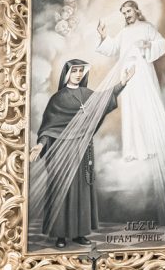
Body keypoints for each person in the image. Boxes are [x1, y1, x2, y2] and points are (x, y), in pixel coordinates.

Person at [32, 58, 133, 249]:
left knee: (81, 191)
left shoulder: (87, 95)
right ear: (67, 74)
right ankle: (61, 235)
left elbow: (105, 98)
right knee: (61, 191)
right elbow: (48, 128)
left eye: (81, 71)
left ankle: (79, 233)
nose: (78, 74)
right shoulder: (57, 99)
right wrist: (40, 145)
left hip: (82, 150)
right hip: (61, 152)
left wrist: (123, 83)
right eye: (75, 71)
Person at [96, 0, 165, 162]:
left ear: (136, 10)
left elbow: (162, 43)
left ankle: (150, 148)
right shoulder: (124, 32)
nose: (126, 15)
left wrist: (148, 44)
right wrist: (103, 35)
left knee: (145, 106)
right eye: (124, 13)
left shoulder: (147, 27)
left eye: (128, 11)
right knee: (130, 108)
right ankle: (132, 151)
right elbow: (113, 48)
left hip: (143, 71)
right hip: (127, 73)